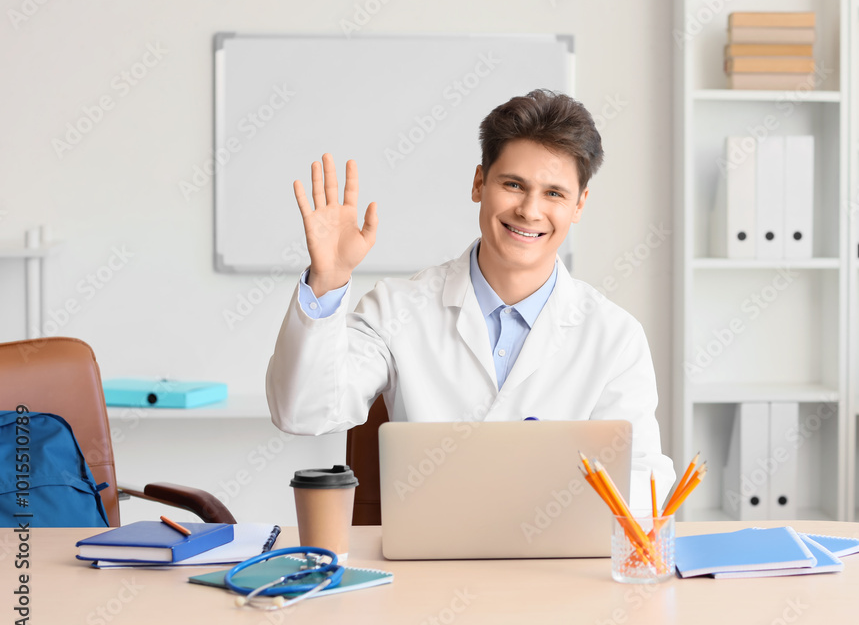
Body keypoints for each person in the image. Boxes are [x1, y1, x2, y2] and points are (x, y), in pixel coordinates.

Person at [265, 89, 675, 508]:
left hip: (557, 564)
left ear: (579, 205)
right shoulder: (397, 309)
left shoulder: (614, 336)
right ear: (479, 183)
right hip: (429, 562)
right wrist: (327, 280)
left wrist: (552, 483)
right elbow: (304, 412)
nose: (530, 211)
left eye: (554, 193)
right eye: (514, 185)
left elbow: (645, 482)